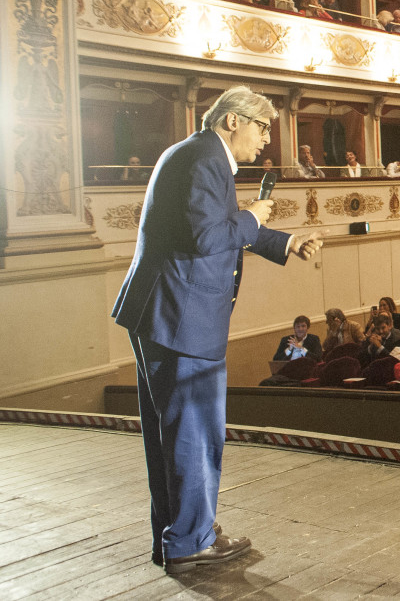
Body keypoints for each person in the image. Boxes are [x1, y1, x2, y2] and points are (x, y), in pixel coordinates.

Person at [112, 87, 325, 573]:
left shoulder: (194, 154)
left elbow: (209, 227)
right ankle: (190, 542)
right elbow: (212, 236)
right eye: (263, 127)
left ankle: (180, 534)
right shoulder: (205, 160)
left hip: (164, 313)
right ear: (232, 121)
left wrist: (285, 240)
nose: (267, 140)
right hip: (182, 318)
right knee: (194, 435)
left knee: (170, 435)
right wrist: (251, 216)